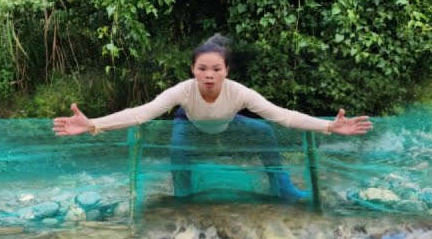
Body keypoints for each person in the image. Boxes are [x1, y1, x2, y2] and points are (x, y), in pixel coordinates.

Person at [52, 35, 373, 199]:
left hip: (228, 125)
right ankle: (184, 197)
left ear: (226, 71)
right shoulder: (183, 91)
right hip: (189, 125)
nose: (209, 74)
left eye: (216, 69)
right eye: (202, 68)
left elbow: (284, 116)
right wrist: (93, 124)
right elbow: (141, 114)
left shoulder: (239, 93)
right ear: (193, 70)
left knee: (264, 132)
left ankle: (283, 187)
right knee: (178, 151)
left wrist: (329, 126)